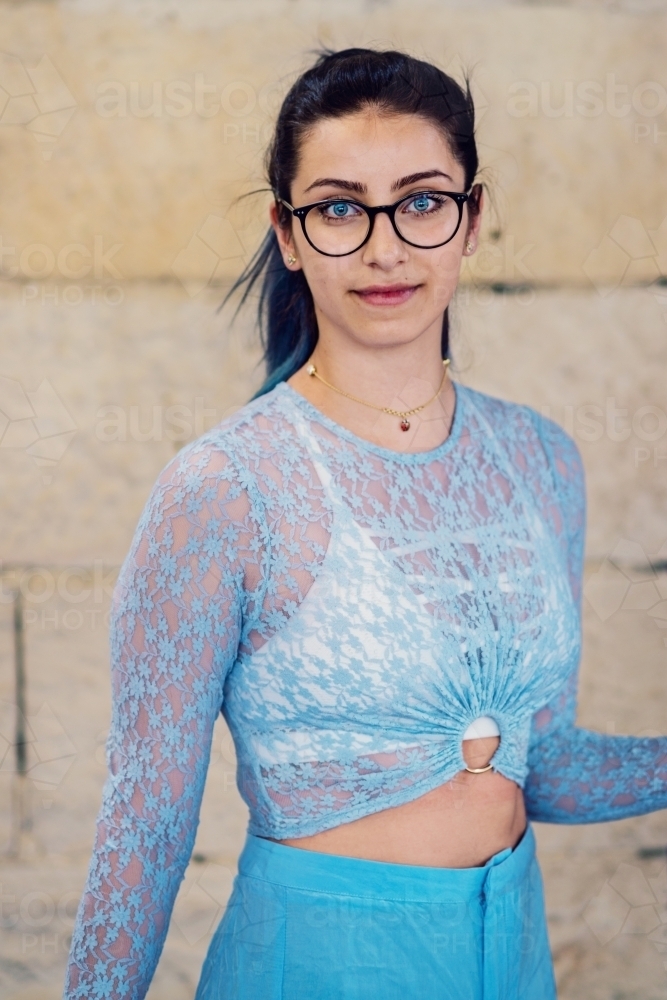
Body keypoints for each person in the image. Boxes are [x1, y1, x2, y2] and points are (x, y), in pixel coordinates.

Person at [63, 47, 667, 1000]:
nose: (385, 248)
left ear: (470, 221)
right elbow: (147, 820)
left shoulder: (541, 459)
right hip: (316, 961)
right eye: (340, 208)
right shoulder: (227, 488)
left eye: (422, 201)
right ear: (289, 233)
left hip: (512, 951)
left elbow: (540, 762)